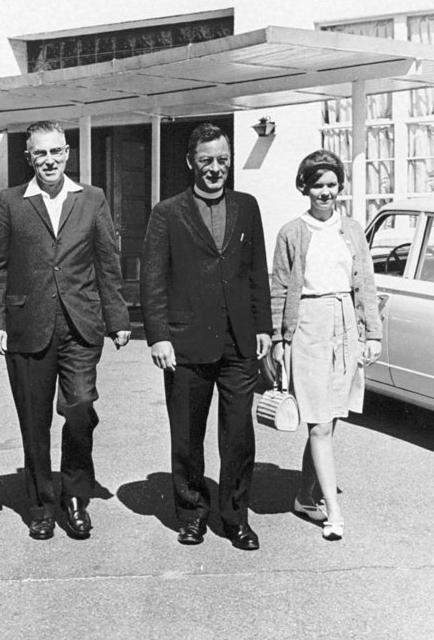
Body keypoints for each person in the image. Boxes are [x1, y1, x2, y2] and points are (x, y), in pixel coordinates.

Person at [0, 120, 131, 541]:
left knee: (80, 406)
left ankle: (76, 496)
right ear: (28, 157)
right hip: (27, 327)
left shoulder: (92, 198)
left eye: (55, 152)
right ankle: (42, 505)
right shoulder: (10, 202)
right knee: (34, 421)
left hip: (79, 324)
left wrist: (117, 318)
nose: (48, 160)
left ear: (67, 154)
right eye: (39, 153)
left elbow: (107, 262)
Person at [140, 123, 271, 551]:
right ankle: (192, 513)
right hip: (186, 342)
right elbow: (153, 279)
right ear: (191, 163)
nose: (216, 169)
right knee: (187, 434)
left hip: (238, 342)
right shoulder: (168, 212)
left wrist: (264, 328)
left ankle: (235, 517)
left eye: (223, 160)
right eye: (207, 160)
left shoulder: (247, 206)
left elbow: (256, 274)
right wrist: (158, 336)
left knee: (238, 435)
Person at [271, 149, 382, 541]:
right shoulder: (292, 231)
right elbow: (280, 288)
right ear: (305, 186)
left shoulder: (351, 230)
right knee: (318, 423)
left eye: (331, 184)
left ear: (340, 187)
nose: (325, 192)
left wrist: (372, 333)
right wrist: (278, 340)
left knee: (329, 421)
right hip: (308, 327)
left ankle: (305, 495)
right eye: (317, 184)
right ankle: (333, 511)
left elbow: (365, 283)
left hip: (346, 323)